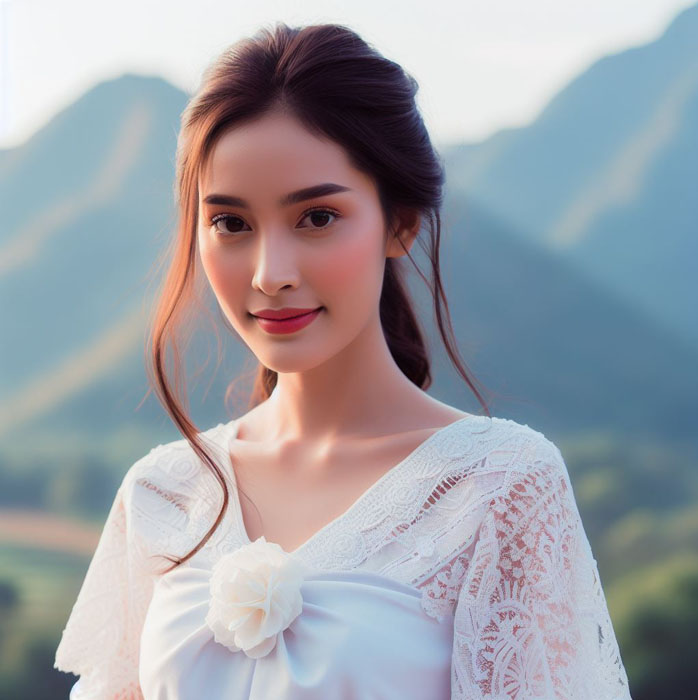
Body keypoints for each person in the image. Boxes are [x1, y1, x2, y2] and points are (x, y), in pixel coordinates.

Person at [53, 21, 632, 699]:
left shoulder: (498, 487)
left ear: (401, 220)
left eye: (317, 217)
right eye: (231, 223)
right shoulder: (163, 494)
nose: (270, 273)